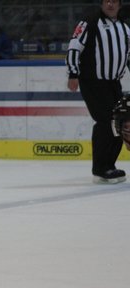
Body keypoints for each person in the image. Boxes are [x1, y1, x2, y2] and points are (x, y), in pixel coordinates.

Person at [67, 0, 128, 184]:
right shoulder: (90, 22)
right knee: (105, 120)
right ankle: (100, 167)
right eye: (106, 1)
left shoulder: (125, 27)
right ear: (101, 4)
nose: (110, 4)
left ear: (119, 4)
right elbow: (74, 47)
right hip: (93, 82)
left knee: (121, 119)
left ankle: (109, 165)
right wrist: (73, 73)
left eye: (114, 1)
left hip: (113, 83)